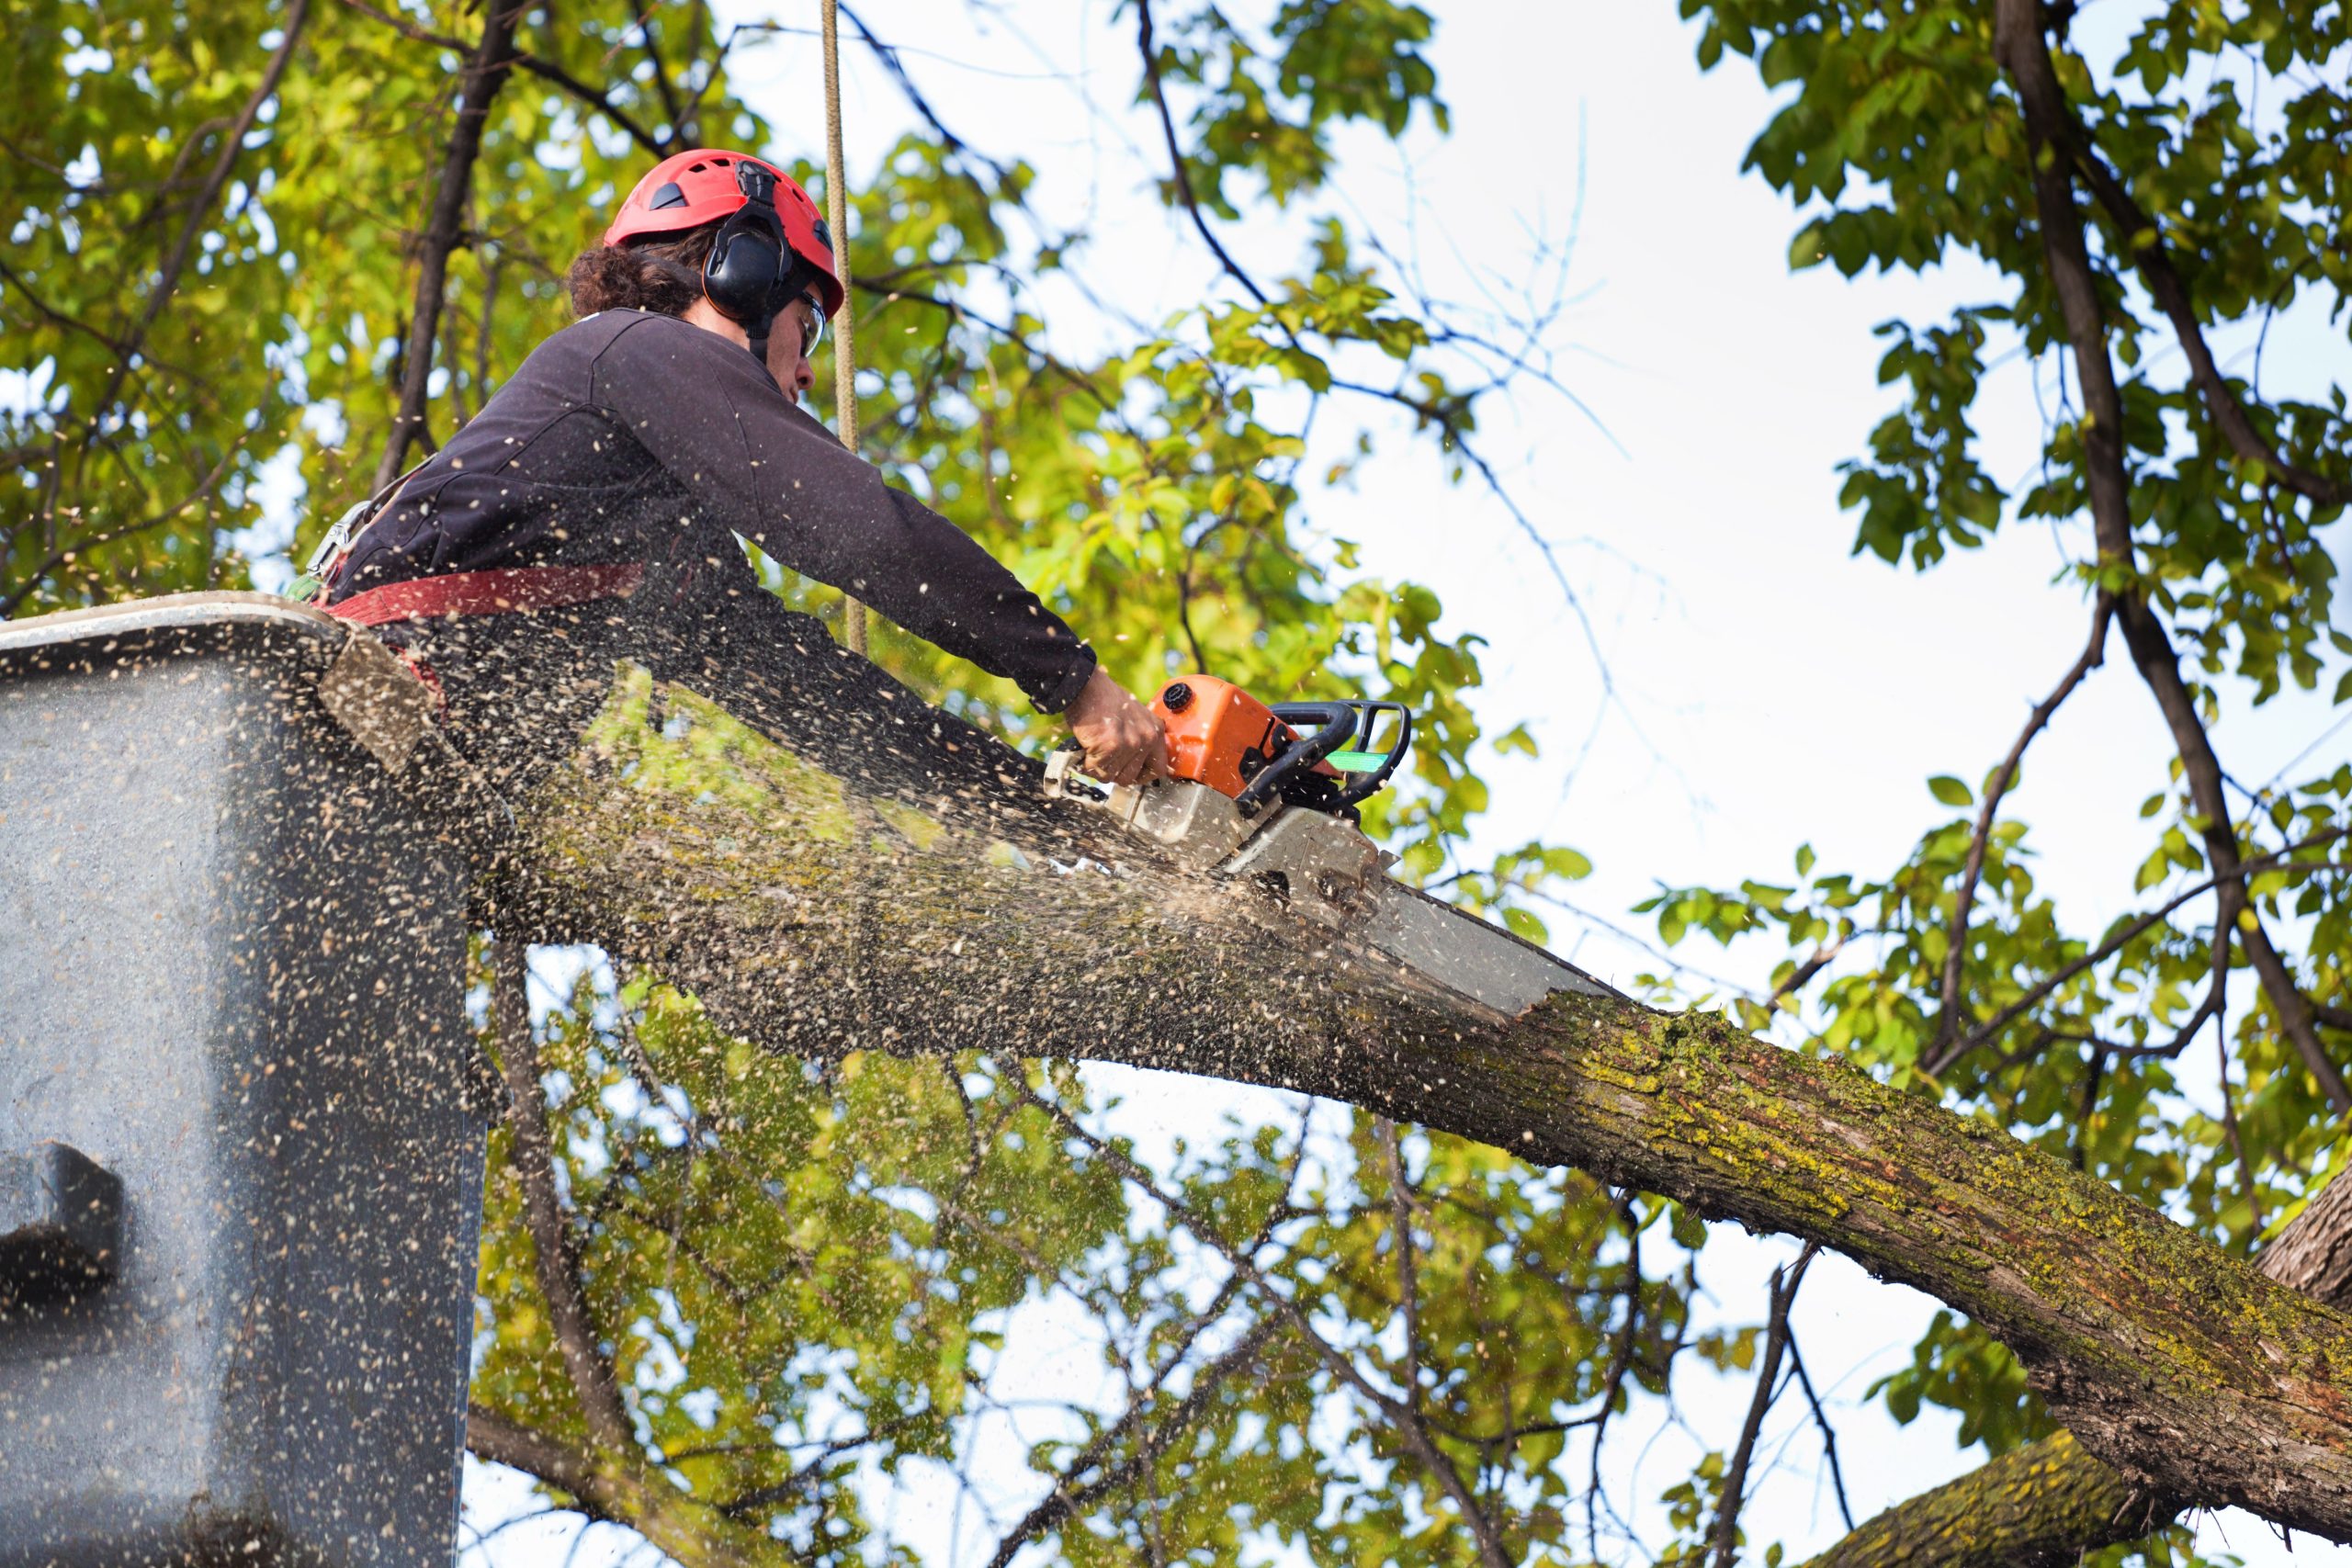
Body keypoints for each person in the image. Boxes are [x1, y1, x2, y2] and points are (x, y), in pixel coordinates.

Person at [313, 148, 1169, 788]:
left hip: (398, 780)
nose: (805, 372)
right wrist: (1073, 679)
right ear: (743, 275)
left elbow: (820, 701)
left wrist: (1048, 808)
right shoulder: (631, 348)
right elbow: (861, 530)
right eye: (810, 324)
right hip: (343, 717)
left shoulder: (659, 532)